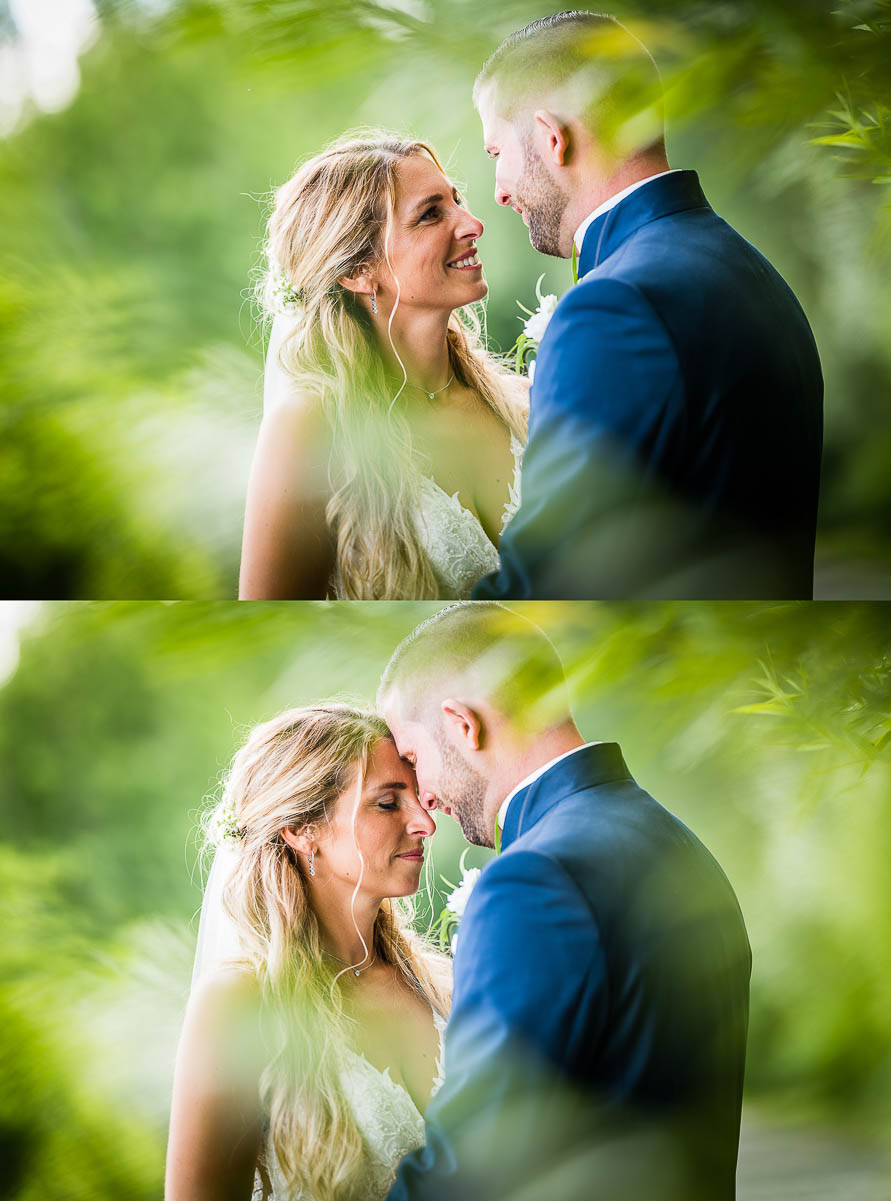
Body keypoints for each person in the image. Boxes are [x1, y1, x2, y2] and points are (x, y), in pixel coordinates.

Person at [376, 602, 752, 1200]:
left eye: (415, 761)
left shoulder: (532, 882)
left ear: (461, 723)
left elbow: (474, 1170)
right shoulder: (679, 844)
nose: (424, 799)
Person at [468, 11, 823, 600]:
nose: (499, 191)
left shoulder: (612, 309)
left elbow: (546, 587)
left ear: (552, 137)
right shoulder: (750, 270)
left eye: (495, 152)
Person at [166, 704, 447, 1201]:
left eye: (419, 798)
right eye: (387, 803)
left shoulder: (442, 984)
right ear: (303, 831)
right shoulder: (242, 1005)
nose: (425, 822)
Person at [241, 133, 528, 600]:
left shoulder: (522, 403)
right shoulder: (312, 428)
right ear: (358, 272)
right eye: (431, 214)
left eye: (457, 200)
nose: (473, 223)